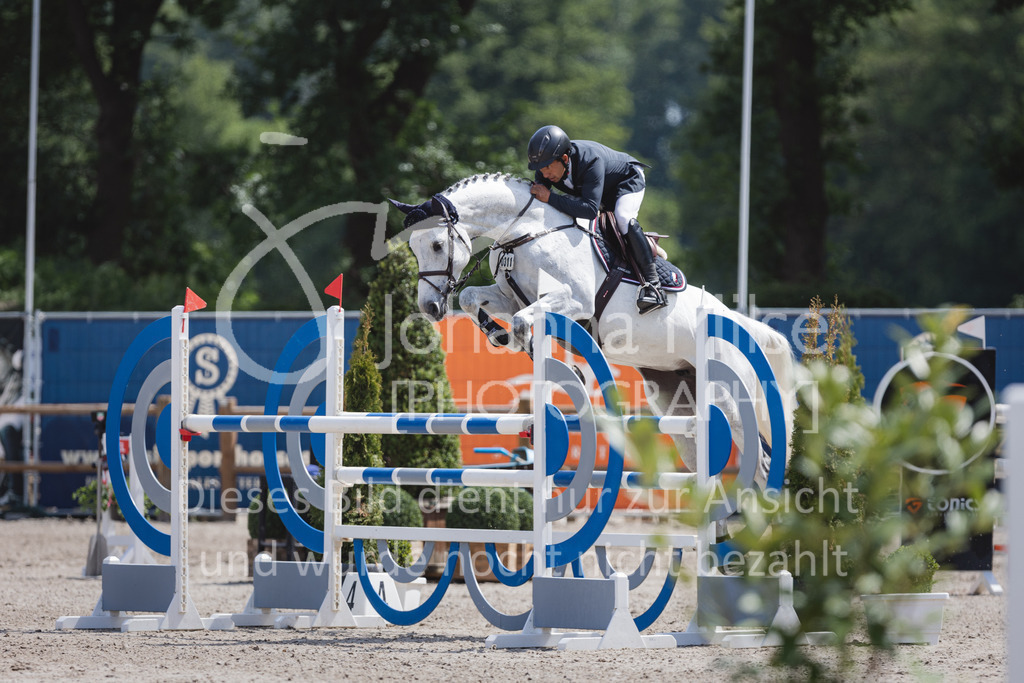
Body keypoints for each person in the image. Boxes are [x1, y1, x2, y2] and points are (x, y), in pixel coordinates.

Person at [527, 124, 666, 314]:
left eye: (548, 168)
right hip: (596, 191)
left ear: (565, 158)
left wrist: (550, 197)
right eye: (540, 170)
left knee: (623, 218)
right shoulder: (547, 166)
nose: (544, 175)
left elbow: (590, 209)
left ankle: (654, 285)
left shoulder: (590, 159)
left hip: (627, 181)